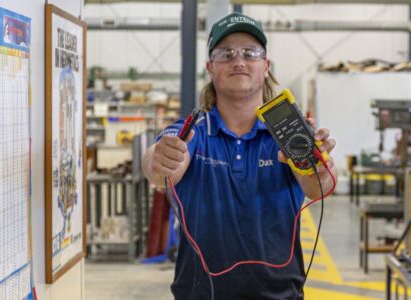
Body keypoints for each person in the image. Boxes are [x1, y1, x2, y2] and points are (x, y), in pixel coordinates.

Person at [143, 12, 337, 300]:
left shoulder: (288, 136)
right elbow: (158, 168)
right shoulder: (193, 132)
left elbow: (317, 187)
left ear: (266, 65)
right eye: (226, 53)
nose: (239, 61)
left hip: (281, 295)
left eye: (250, 52)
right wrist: (158, 160)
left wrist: (319, 169)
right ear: (210, 66)